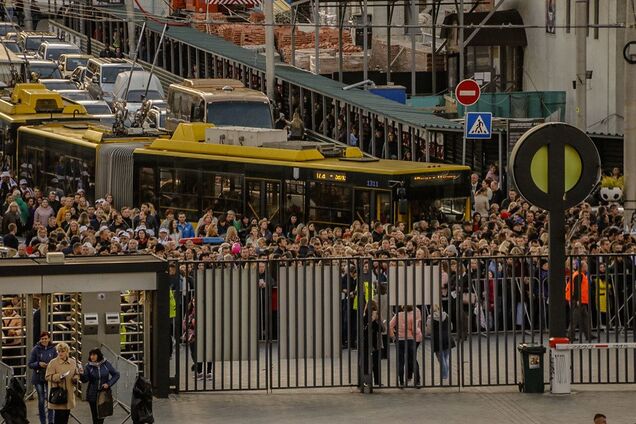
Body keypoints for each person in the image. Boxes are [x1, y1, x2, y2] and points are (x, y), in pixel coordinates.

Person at [81, 348, 120, 424]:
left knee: (102, 416)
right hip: (92, 395)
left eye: (94, 355)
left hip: (103, 394)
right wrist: (81, 374)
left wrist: (108, 384)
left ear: (98, 355)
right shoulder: (88, 366)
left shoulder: (106, 364)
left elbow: (116, 374)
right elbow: (85, 380)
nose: (92, 357)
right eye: (91, 355)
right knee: (95, 416)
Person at [45, 342, 81, 424]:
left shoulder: (73, 362)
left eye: (62, 351)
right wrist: (59, 376)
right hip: (58, 394)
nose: (60, 353)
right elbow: (47, 376)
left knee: (65, 418)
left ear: (67, 352)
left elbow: (76, 374)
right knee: (59, 419)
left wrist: (76, 378)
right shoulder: (53, 363)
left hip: (68, 394)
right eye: (59, 351)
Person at [389, 304, 422, 387]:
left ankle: (401, 382)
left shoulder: (398, 315)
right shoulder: (412, 316)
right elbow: (415, 329)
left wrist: (393, 336)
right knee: (413, 360)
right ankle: (417, 381)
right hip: (410, 340)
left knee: (401, 361)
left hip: (400, 340)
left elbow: (390, 326)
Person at [28, 331, 57, 424]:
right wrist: (38, 364)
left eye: (46, 338)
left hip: (49, 377)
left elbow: (57, 361)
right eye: (42, 339)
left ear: (49, 339)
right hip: (38, 377)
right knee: (41, 399)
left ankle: (51, 421)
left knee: (50, 399)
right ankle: (43, 421)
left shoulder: (53, 349)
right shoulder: (35, 349)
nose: (44, 340)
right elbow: (30, 364)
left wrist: (51, 365)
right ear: (40, 340)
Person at [566, 260, 593, 341]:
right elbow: (577, 288)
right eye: (586, 266)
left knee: (585, 318)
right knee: (575, 319)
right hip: (578, 300)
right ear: (582, 267)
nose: (587, 267)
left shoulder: (578, 274)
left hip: (580, 300)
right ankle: (570, 336)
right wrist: (578, 300)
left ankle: (588, 335)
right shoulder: (579, 275)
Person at [425, 304, 454, 380]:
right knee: (445, 357)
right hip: (447, 338)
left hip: (437, 339)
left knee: (441, 359)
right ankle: (445, 374)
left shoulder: (430, 318)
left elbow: (428, 331)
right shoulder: (446, 315)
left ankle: (444, 376)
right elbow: (451, 327)